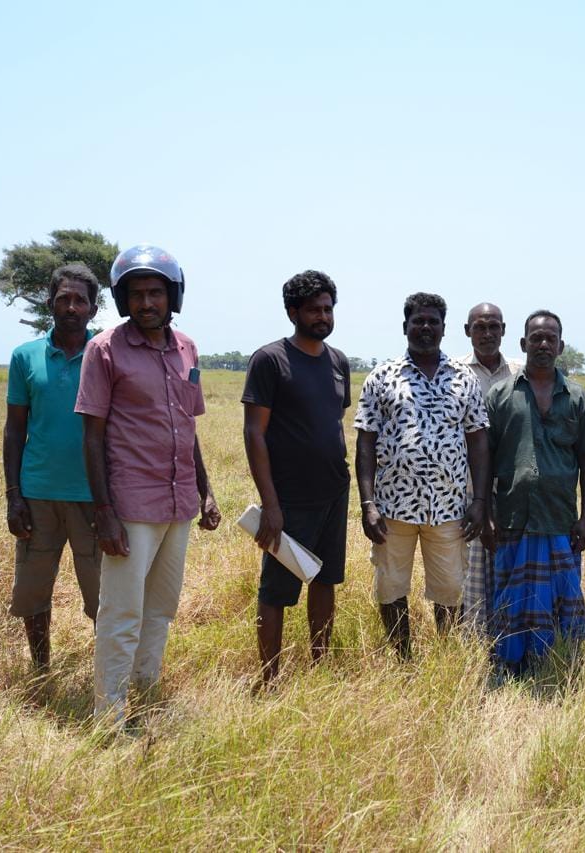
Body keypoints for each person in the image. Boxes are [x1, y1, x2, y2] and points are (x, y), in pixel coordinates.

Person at [75, 244, 221, 725]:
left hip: (178, 503)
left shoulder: (187, 348)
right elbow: (92, 436)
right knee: (122, 612)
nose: (146, 303)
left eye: (155, 293)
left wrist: (205, 491)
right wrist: (104, 512)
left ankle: (146, 694)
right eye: (136, 294)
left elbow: (188, 427)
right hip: (131, 505)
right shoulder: (104, 349)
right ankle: (109, 715)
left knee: (160, 609)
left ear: (172, 295)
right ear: (122, 300)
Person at [353, 293, 490, 658]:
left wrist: (479, 501)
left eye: (433, 321)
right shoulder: (382, 377)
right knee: (391, 587)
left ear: (444, 328)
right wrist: (368, 504)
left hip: (448, 508)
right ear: (405, 327)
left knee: (450, 589)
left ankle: (446, 660)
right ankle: (403, 659)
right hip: (391, 508)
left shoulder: (464, 378)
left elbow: (478, 441)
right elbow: (365, 443)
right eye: (418, 321)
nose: (426, 327)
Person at [243, 270, 351, 681]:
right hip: (288, 497)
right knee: (277, 590)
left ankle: (319, 668)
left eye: (328, 309)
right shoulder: (270, 360)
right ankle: (269, 678)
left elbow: (332, 421)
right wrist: (271, 504)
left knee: (324, 580)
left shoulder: (338, 362)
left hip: (334, 491)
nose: (322, 316)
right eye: (313, 310)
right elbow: (254, 433)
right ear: (293, 312)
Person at [483, 310, 585, 674]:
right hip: (513, 517)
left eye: (551, 338)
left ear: (561, 346)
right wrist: (486, 512)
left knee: (562, 596)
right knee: (511, 596)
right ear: (523, 343)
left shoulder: (578, 398)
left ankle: (559, 661)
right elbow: (485, 458)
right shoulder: (500, 395)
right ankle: (510, 664)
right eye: (536, 338)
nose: (544, 344)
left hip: (560, 519)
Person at [2, 262, 102, 670]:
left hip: (94, 497)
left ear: (94, 308)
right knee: (32, 591)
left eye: (80, 300)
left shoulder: (107, 353)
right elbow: (14, 429)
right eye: (63, 299)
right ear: (50, 304)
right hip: (37, 495)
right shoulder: (24, 356)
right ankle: (41, 669)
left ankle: (107, 676)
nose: (71, 307)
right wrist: (13, 496)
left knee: (103, 596)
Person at [458, 302, 514, 634]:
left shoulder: (521, 372)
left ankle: (507, 638)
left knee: (508, 569)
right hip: (465, 491)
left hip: (510, 491)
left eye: (494, 326)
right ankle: (470, 645)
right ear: (468, 331)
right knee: (466, 575)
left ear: (504, 330)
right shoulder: (453, 372)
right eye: (480, 327)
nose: (487, 333)